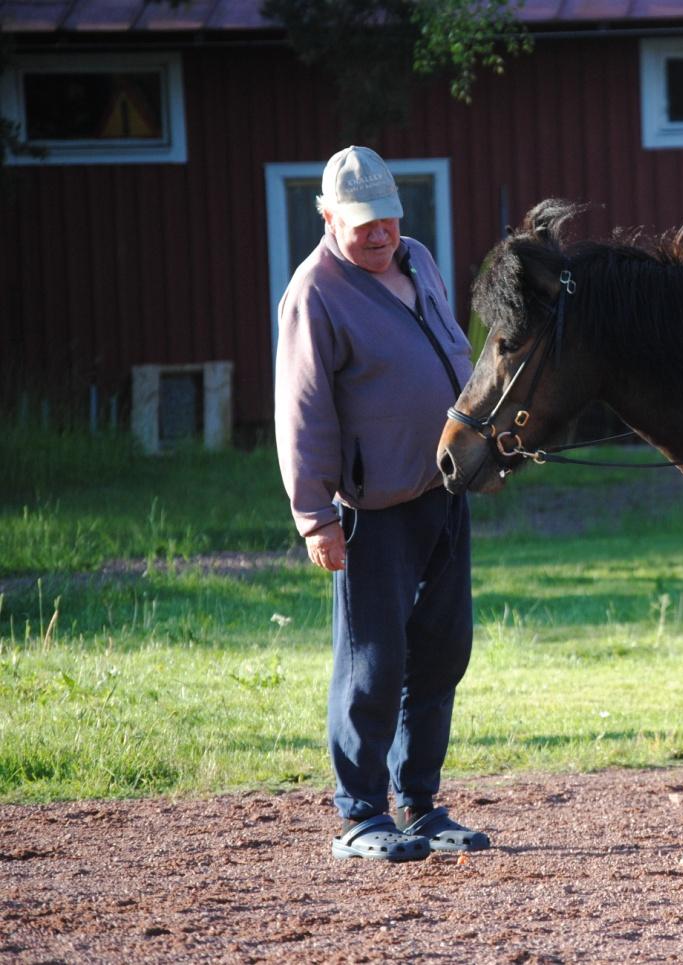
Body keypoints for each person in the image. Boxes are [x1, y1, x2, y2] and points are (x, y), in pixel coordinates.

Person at [275, 145, 488, 862]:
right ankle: (361, 814)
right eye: (361, 223)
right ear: (329, 217)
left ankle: (420, 804)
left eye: (386, 220)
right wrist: (315, 517)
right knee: (372, 661)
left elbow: (451, 350)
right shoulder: (315, 292)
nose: (377, 234)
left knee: (440, 650)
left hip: (442, 489)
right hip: (371, 508)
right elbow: (302, 411)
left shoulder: (418, 259)